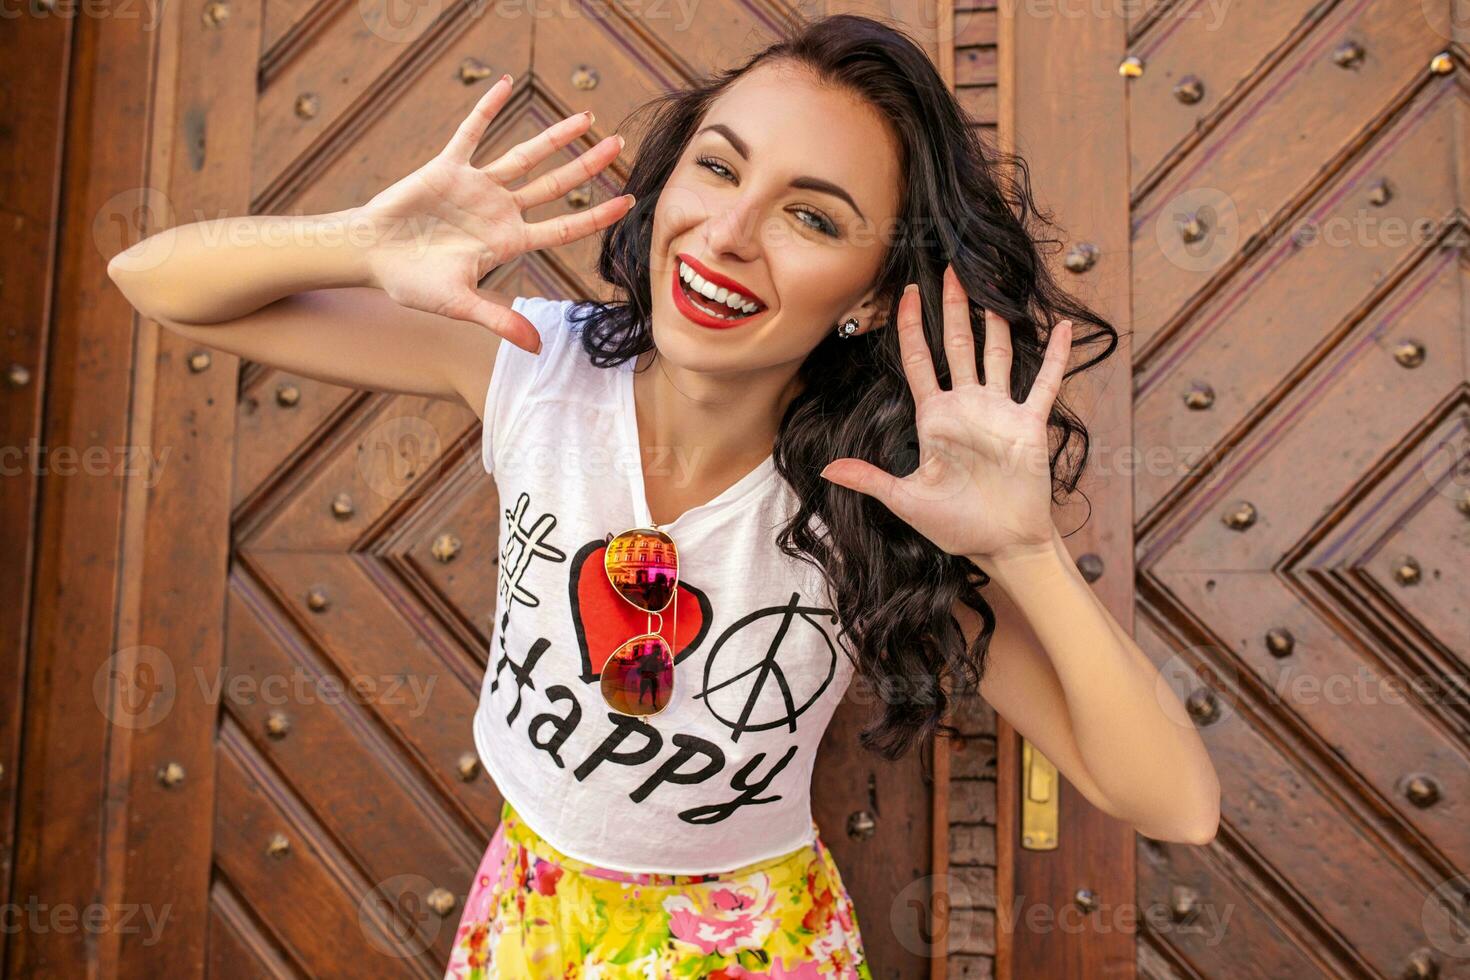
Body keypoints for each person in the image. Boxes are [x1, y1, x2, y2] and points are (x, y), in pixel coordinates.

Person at [108, 13, 1221, 978]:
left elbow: (1177, 802)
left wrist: (1023, 549)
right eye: (720, 167)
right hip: (527, 910)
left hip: (750, 940)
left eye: (814, 217)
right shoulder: (533, 361)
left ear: (875, 297)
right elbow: (154, 282)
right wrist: (359, 241)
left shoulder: (883, 508)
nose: (729, 235)